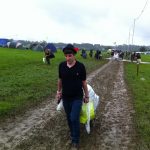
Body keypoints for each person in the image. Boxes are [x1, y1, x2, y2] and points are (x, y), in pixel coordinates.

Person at [56, 44, 89, 149]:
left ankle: (76, 139)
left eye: (70, 55)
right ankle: (72, 132)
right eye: (66, 56)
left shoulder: (80, 66)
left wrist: (87, 95)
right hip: (66, 97)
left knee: (74, 117)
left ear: (74, 55)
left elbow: (84, 82)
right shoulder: (61, 66)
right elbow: (60, 80)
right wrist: (58, 92)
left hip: (77, 97)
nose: (68, 58)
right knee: (69, 118)